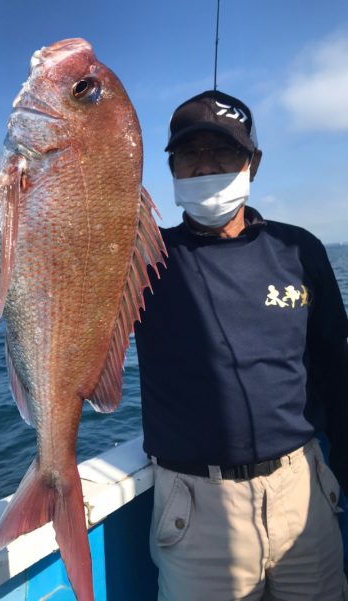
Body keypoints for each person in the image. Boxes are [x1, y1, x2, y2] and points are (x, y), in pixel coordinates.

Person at [134, 89, 348, 601]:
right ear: (171, 168)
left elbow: (334, 367)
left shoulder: (299, 250)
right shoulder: (140, 262)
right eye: (189, 154)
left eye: (223, 152)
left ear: (253, 162)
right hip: (195, 504)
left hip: (303, 492)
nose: (205, 165)